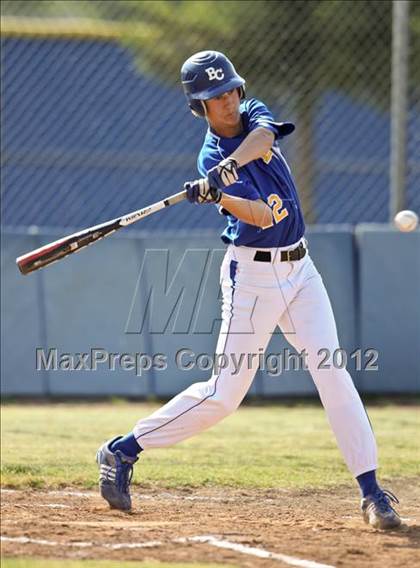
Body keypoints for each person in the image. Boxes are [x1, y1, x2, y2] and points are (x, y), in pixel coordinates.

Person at [96, 50, 400, 530]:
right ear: (199, 107)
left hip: (302, 272)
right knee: (224, 394)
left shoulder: (252, 117)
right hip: (253, 279)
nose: (229, 101)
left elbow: (262, 139)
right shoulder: (208, 156)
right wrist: (217, 191)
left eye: (231, 90)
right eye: (215, 98)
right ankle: (122, 450)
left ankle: (372, 493)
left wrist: (228, 169)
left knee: (334, 374)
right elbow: (262, 216)